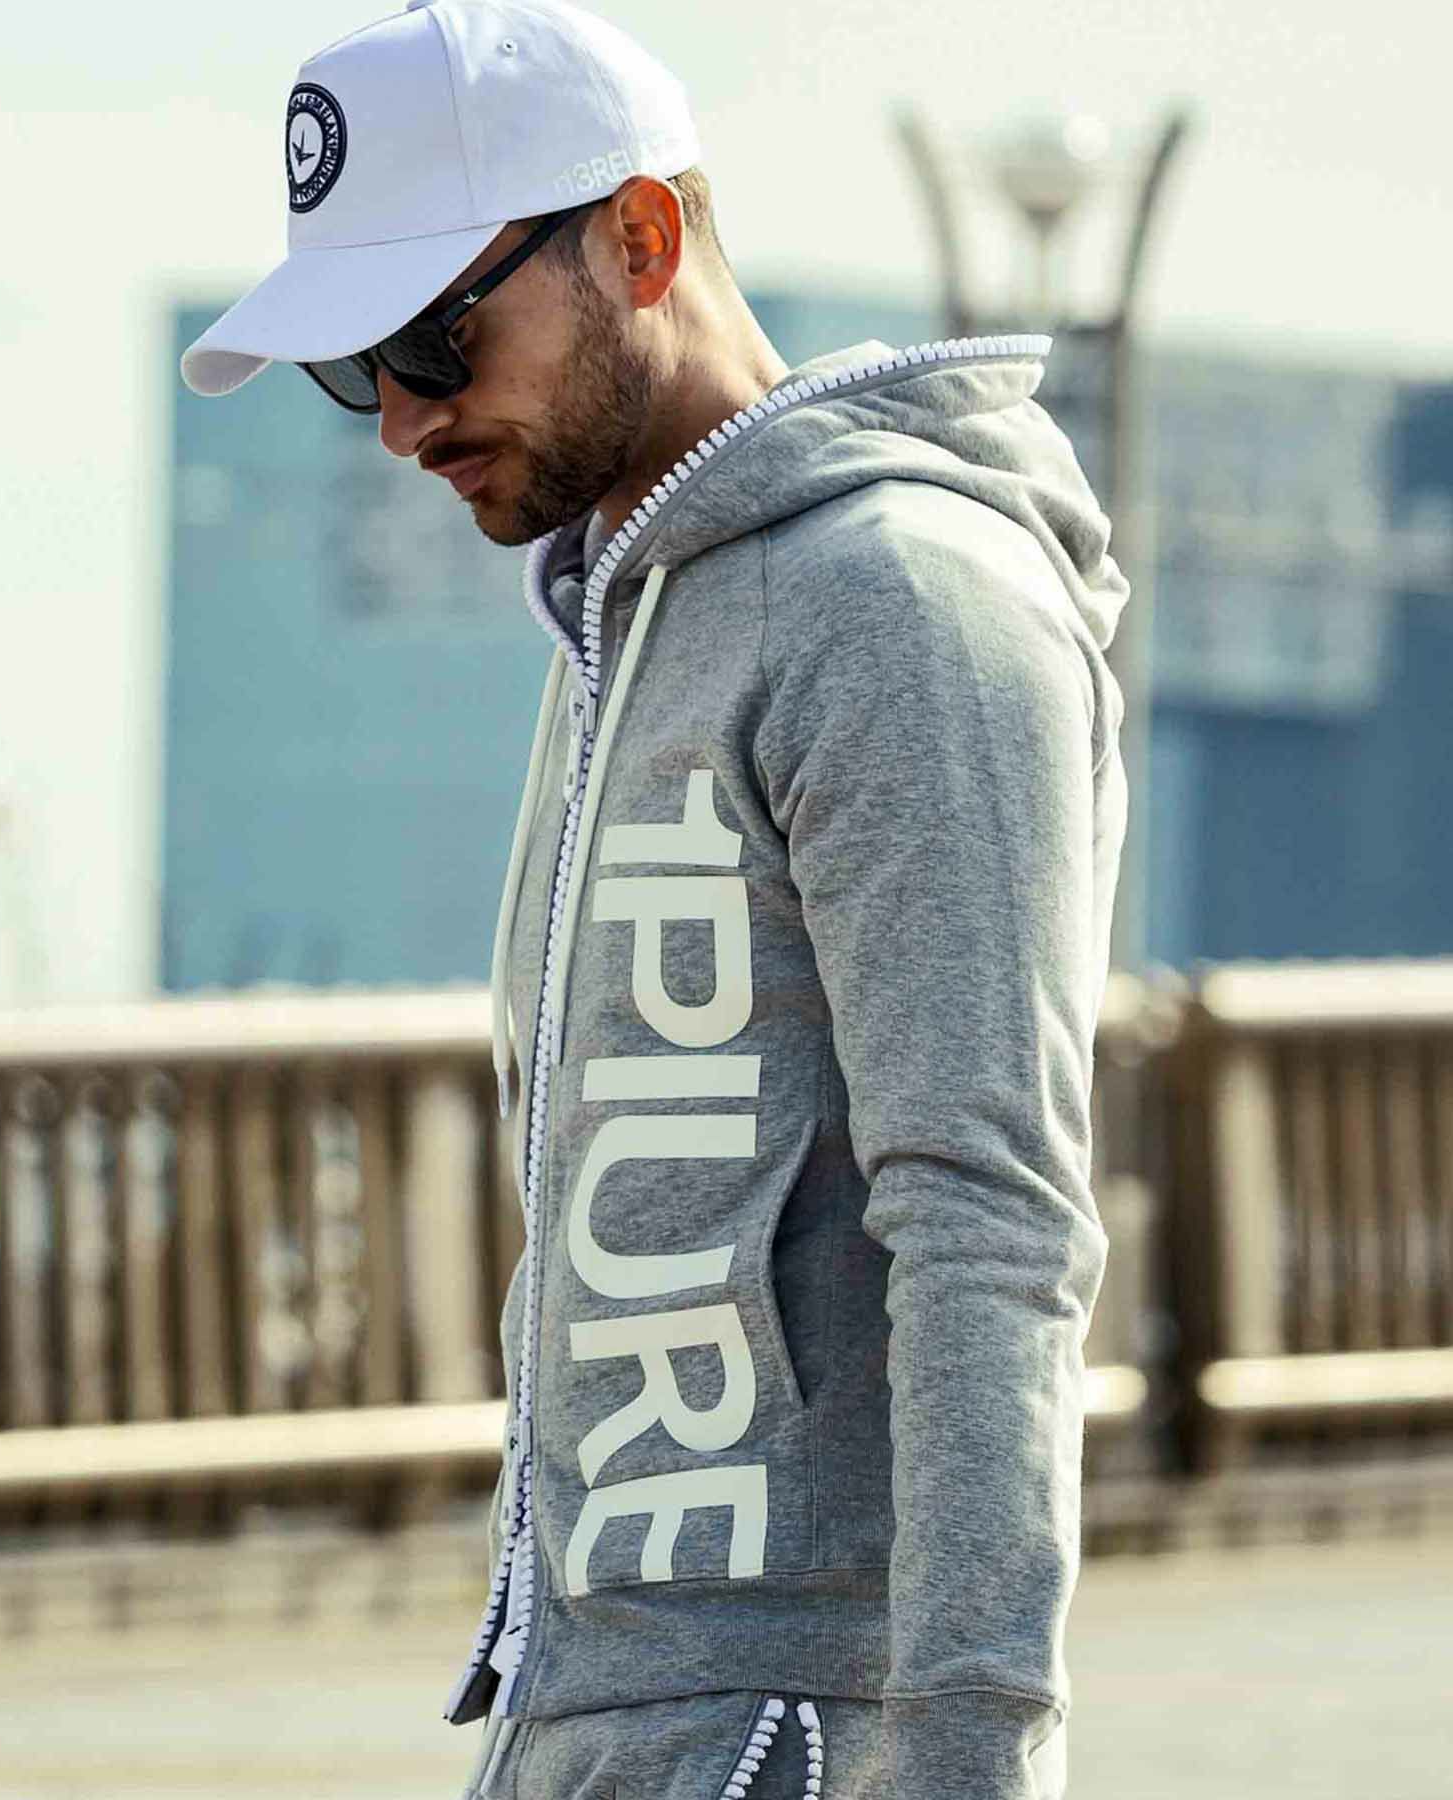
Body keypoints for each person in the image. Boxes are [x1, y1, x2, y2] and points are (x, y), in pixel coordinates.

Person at [180, 3, 1131, 1795]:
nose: (401, 420)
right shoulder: (625, 623)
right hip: (606, 1715)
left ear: (639, 235)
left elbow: (991, 1226)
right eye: (354, 368)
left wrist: (965, 1760)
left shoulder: (901, 604)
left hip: (799, 1729)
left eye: (435, 336)